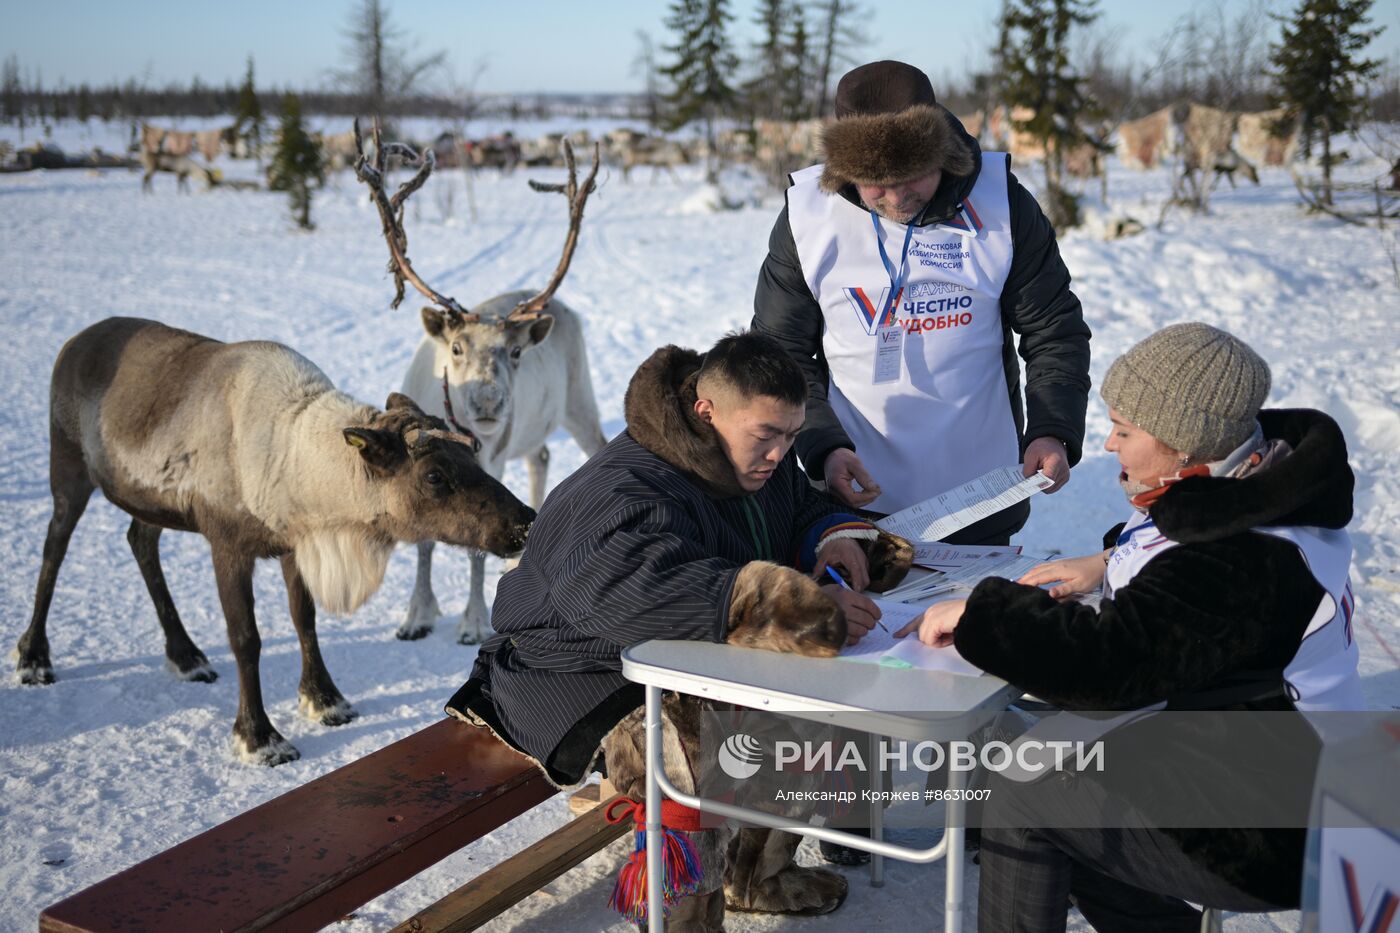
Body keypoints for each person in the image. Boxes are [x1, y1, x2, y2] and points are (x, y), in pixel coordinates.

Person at [896, 322, 1365, 931]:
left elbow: (1108, 668)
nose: (1110, 445)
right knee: (1054, 767)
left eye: (1125, 430)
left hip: (1277, 822)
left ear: (1186, 446)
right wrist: (1106, 562)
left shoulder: (1243, 558)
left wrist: (985, 613)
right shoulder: (1261, 486)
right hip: (1264, 760)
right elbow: (1178, 555)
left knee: (1026, 788)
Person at [447, 331, 914, 928]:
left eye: (791, 436)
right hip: (574, 673)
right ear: (705, 410)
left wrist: (835, 537)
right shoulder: (623, 487)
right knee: (696, 739)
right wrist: (800, 610)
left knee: (808, 701)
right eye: (766, 436)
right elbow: (634, 595)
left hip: (672, 655)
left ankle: (757, 874)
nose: (779, 453)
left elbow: (801, 504)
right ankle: (684, 920)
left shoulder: (749, 460)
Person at [753, 59, 1091, 544]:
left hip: (980, 490)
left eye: (912, 174)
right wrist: (823, 447)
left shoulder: (1001, 203)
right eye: (875, 181)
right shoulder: (809, 219)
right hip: (850, 485)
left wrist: (1052, 429)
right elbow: (778, 355)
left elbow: (1053, 329)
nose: (895, 197)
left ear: (942, 154)